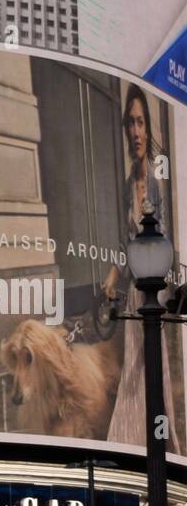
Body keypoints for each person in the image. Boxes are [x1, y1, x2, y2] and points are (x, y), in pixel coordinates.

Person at [105, 84, 179, 452]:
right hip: (135, 291)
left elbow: (159, 239)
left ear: (148, 129)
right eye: (129, 125)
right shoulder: (125, 185)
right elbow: (124, 243)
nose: (135, 131)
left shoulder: (154, 181)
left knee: (153, 366)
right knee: (134, 366)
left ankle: (158, 438)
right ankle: (132, 437)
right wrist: (112, 279)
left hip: (153, 290)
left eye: (140, 122)